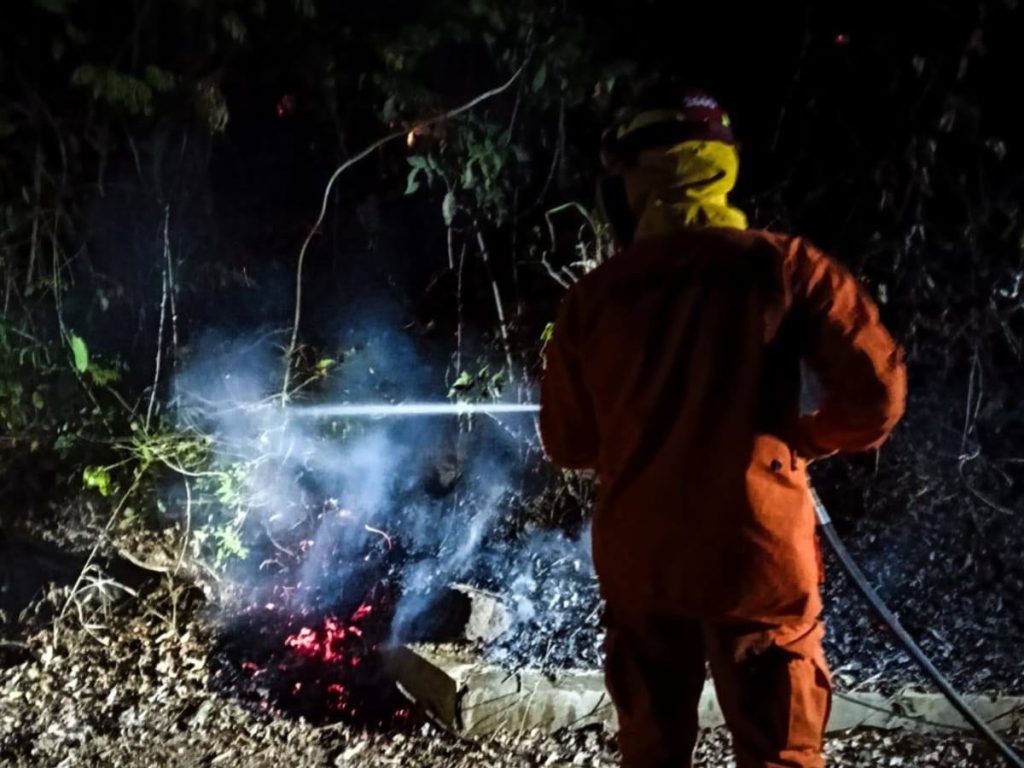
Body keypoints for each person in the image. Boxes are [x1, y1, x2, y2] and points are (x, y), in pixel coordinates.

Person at [539, 85, 907, 768]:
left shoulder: (594, 300)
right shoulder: (785, 267)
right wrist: (809, 437)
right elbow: (875, 394)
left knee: (652, 750)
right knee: (779, 753)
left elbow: (568, 442)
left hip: (643, 559)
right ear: (722, 165)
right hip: (756, 552)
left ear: (636, 177)